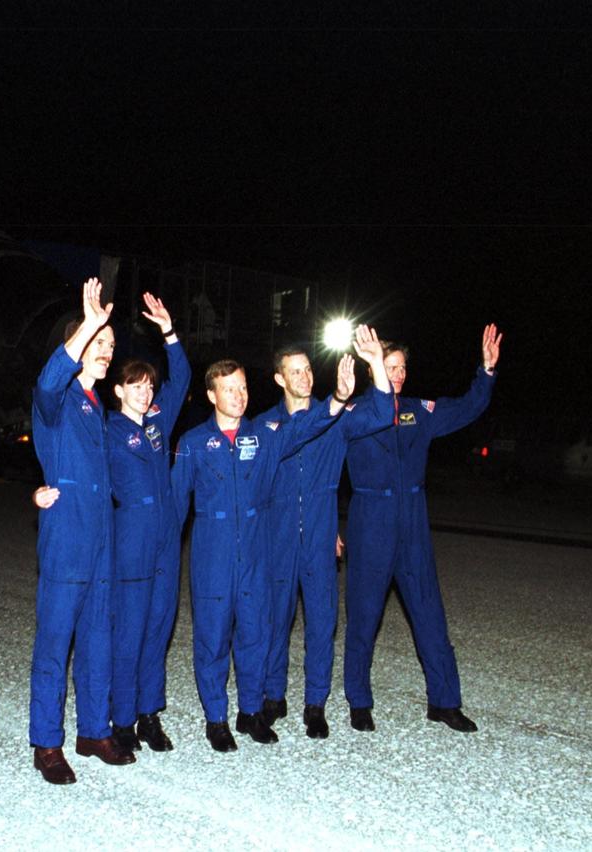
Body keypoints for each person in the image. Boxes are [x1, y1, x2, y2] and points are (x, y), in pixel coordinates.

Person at [170, 329, 389, 752]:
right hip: (246, 548)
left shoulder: (272, 433)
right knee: (242, 633)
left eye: (242, 387)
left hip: (297, 542)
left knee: (289, 627)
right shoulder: (217, 438)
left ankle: (287, 708)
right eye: (229, 389)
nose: (237, 395)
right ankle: (234, 713)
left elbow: (344, 419)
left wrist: (349, 391)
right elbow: (175, 504)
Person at [343, 324, 503, 734]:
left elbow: (467, 408)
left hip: (412, 520)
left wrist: (485, 371)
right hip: (370, 519)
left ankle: (445, 702)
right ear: (373, 368)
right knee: (364, 617)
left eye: (400, 368)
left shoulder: (419, 411)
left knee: (430, 615)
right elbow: (325, 469)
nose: (397, 375)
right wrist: (329, 526)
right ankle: (359, 702)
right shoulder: (355, 413)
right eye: (389, 366)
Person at [257, 329, 393, 739]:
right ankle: (272, 696)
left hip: (318, 537)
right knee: (274, 621)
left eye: (307, 369)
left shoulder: (339, 418)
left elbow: (383, 411)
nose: (304, 377)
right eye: (294, 371)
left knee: (321, 623)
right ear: (279, 378)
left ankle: (315, 704)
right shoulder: (265, 425)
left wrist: (375, 365)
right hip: (277, 538)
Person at [28, 278, 134, 785]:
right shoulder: (58, 399)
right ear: (76, 347)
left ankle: (93, 731)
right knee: (55, 643)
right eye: (99, 343)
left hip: (101, 541)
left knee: (97, 639)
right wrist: (88, 324)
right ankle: (47, 743)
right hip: (68, 536)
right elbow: (48, 382)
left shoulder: (98, 408)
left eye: (111, 345)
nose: (107, 351)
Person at [104, 293, 190, 753]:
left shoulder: (158, 422)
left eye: (148, 386)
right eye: (136, 386)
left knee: (159, 628)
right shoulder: (108, 432)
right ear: (119, 391)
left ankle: (148, 715)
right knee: (130, 631)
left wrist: (169, 332)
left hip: (165, 542)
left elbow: (185, 379)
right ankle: (121, 721)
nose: (146, 392)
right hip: (131, 541)